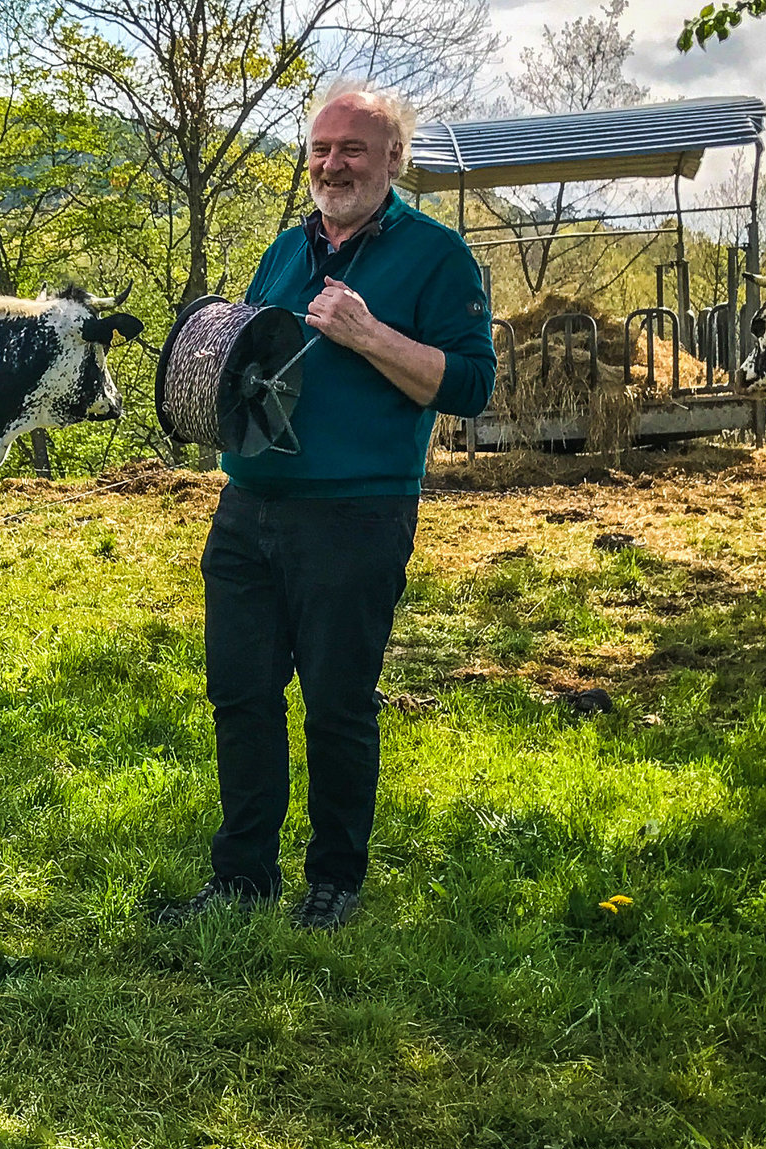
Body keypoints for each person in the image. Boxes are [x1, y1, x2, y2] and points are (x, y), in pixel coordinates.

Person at [154, 82, 495, 932]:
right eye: (321, 148)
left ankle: (334, 879)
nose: (333, 164)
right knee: (240, 695)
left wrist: (367, 333)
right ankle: (242, 877)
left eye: (353, 149)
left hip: (358, 513)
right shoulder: (284, 249)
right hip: (249, 504)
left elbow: (471, 386)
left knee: (338, 705)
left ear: (394, 160)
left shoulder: (439, 257)